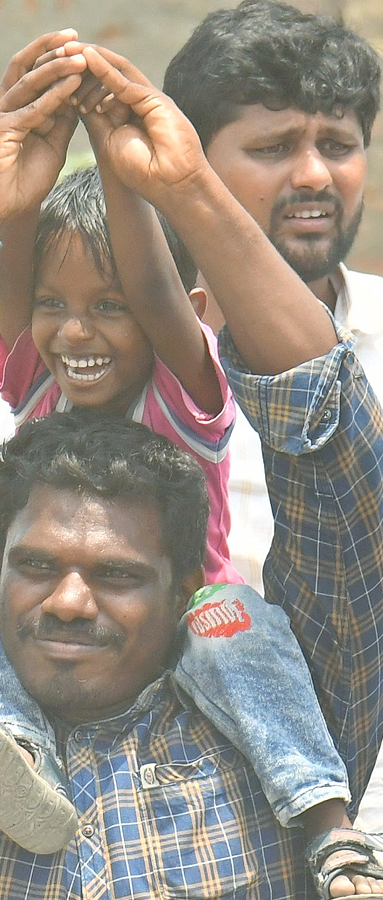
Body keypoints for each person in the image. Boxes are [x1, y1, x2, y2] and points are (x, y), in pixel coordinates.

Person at [0, 33, 383, 900]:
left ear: (179, 587)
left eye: (114, 573)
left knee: (244, 632)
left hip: (241, 683)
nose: (67, 600)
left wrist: (172, 186)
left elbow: (340, 470)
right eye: (34, 566)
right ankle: (16, 742)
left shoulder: (268, 734)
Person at [0, 115, 353, 857]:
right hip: (70, 643)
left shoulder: (183, 396)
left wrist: (115, 153)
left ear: (176, 317)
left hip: (184, 629)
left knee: (239, 620)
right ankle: (16, 752)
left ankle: (324, 821)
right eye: (53, 305)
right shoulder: (38, 384)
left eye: (108, 306)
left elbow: (158, 290)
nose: (75, 332)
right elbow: (14, 280)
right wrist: (25, 151)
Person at [160, 0, 383, 830]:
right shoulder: (107, 353)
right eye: (273, 147)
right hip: (172, 830)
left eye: (338, 143)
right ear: (189, 164)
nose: (317, 175)